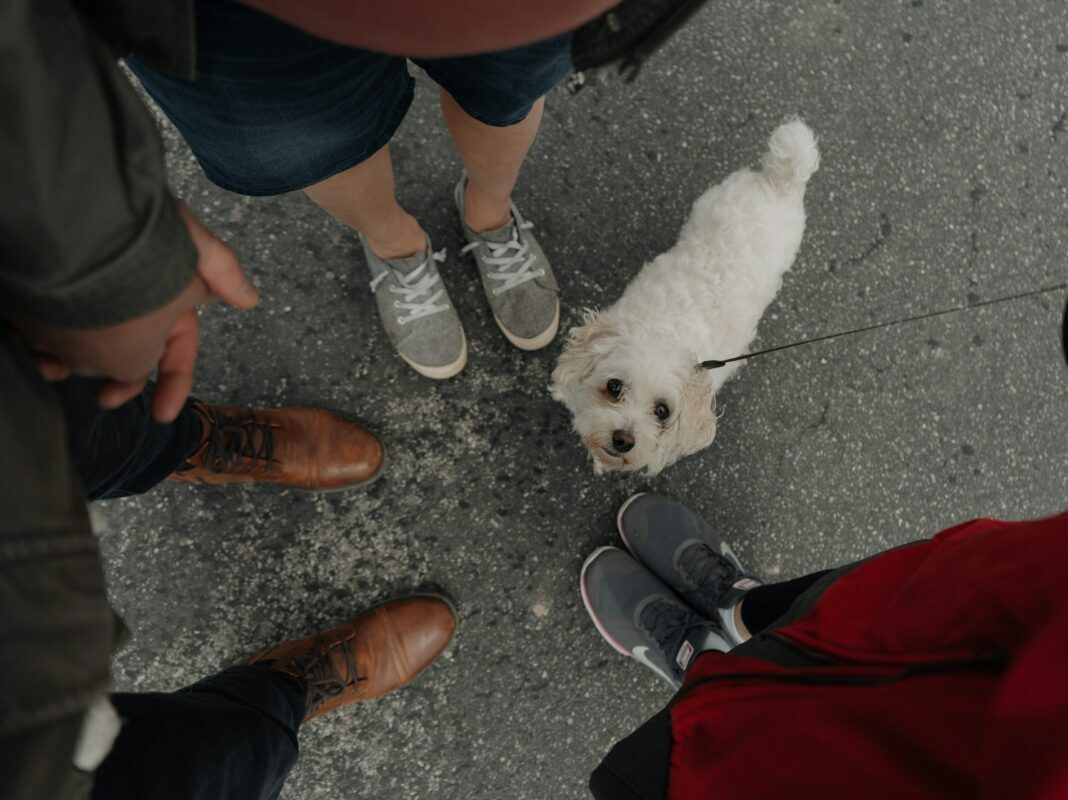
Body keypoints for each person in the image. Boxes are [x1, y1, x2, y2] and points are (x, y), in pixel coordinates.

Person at [581, 493, 1068, 799]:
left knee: (717, 746)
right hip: (1011, 591)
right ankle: (740, 607)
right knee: (858, 605)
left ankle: (700, 655)